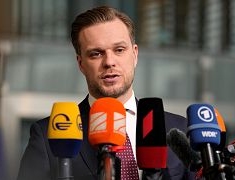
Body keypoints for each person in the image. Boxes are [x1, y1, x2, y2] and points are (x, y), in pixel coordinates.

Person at [17, 6, 193, 180]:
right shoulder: (47, 136)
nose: (109, 62)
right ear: (80, 63)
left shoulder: (179, 130)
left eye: (119, 50)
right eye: (96, 53)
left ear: (135, 54)